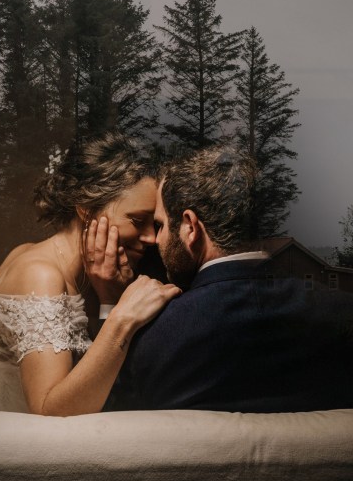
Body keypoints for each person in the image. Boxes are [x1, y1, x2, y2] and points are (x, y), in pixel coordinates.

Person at [109, 145, 353, 412]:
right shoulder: (343, 317)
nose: (156, 239)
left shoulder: (153, 339)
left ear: (190, 226)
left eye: (161, 225)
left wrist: (110, 309)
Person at [0, 132, 181, 415]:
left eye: (156, 224)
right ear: (86, 209)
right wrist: (122, 320)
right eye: (137, 220)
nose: (151, 238)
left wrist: (110, 297)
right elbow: (50, 412)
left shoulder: (95, 275)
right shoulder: (40, 274)